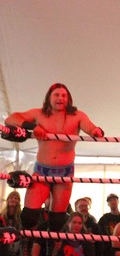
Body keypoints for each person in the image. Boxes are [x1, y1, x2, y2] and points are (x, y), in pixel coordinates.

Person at [3, 83, 104, 256]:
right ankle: (25, 247)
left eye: (64, 95)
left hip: (64, 173)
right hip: (42, 170)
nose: (60, 98)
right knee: (29, 216)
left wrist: (96, 131)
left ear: (69, 99)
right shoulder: (38, 114)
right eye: (57, 95)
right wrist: (32, 126)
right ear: (49, 97)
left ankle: (52, 251)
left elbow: (90, 127)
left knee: (58, 219)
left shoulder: (77, 116)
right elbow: (10, 119)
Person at [0, 191, 22, 256]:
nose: (13, 199)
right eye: (11, 197)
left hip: (16, 246)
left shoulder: (21, 217)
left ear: (18, 201)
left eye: (16, 198)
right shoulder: (1, 216)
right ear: (7, 200)